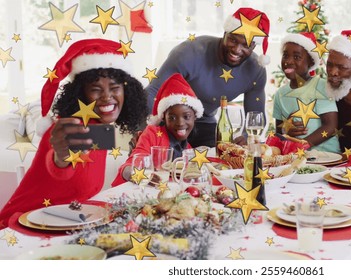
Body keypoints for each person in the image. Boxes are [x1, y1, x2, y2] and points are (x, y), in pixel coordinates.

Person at [0, 39, 148, 229]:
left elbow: (83, 189)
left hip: (67, 223)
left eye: (115, 88)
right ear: (80, 94)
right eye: (96, 89)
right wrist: (61, 157)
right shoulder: (67, 129)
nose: (107, 96)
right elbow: (59, 166)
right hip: (23, 227)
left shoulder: (102, 130)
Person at [143, 7, 270, 148]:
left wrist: (247, 137)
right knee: (160, 162)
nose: (237, 49)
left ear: (254, 46)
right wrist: (143, 128)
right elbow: (153, 90)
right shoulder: (189, 52)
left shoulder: (256, 70)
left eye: (246, 45)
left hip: (205, 123)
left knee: (216, 162)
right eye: (233, 40)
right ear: (225, 33)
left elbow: (256, 115)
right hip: (170, 121)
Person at [112, 73, 204, 186]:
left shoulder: (187, 149)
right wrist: (142, 175)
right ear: (163, 118)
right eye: (172, 118)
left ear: (195, 117)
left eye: (186, 117)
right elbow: (128, 167)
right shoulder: (152, 134)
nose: (180, 123)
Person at [272, 32, 340, 152]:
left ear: (311, 63)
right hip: (298, 158)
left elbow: (330, 126)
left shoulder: (321, 86)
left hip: (326, 157)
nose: (289, 61)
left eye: (297, 57)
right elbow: (279, 132)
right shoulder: (280, 94)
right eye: (285, 55)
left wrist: (301, 146)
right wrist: (285, 130)